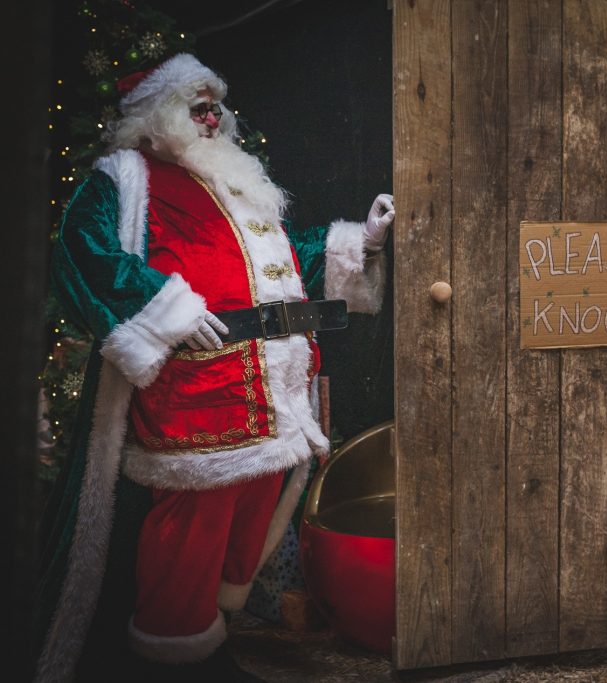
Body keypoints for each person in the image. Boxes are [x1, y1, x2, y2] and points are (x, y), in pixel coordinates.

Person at [31, 53, 393, 681]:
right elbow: (80, 251)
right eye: (195, 105)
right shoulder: (122, 178)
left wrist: (359, 239)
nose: (211, 115)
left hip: (271, 390)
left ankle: (213, 636)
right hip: (195, 391)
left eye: (214, 105)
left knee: (250, 513)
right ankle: (172, 654)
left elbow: (285, 265)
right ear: (155, 111)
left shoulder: (237, 184)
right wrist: (160, 308)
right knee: (190, 527)